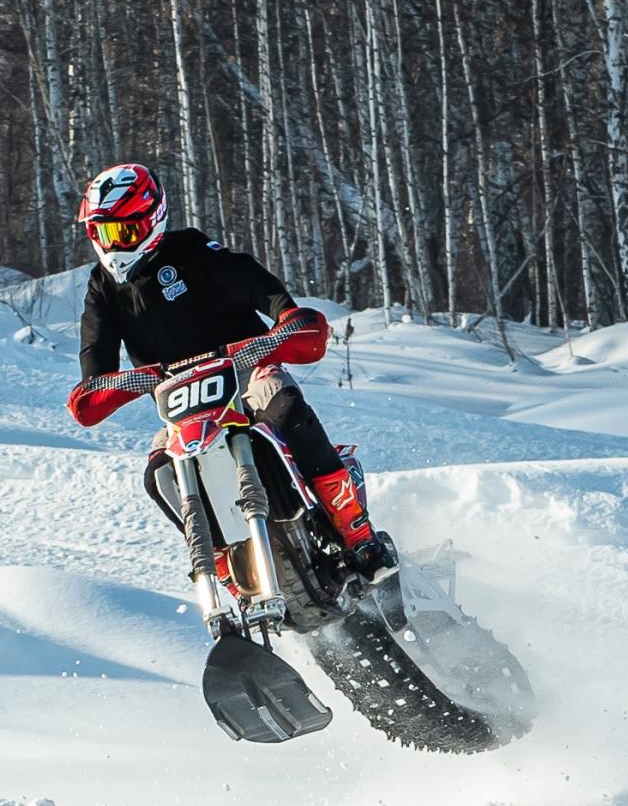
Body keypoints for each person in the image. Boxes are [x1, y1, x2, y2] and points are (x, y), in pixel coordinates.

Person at [68, 162, 396, 579]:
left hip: (246, 373)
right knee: (158, 473)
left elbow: (250, 279)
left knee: (284, 406)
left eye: (124, 231)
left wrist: (285, 315)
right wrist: (98, 388)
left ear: (153, 220)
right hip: (182, 405)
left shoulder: (190, 250)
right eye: (103, 233)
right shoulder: (102, 287)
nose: (114, 245)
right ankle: (226, 572)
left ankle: (358, 535)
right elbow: (95, 360)